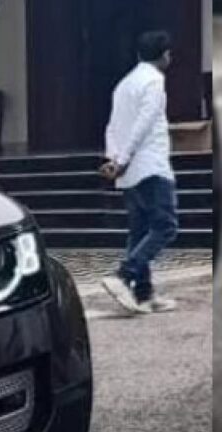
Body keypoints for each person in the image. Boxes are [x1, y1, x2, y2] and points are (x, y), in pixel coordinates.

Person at [100, 30, 179, 315]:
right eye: (169, 52)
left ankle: (144, 293)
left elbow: (112, 125)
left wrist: (114, 158)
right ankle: (123, 275)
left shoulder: (124, 84)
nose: (170, 57)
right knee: (166, 226)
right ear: (163, 54)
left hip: (130, 170)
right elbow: (144, 124)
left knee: (140, 230)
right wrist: (122, 158)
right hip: (150, 164)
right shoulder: (154, 81)